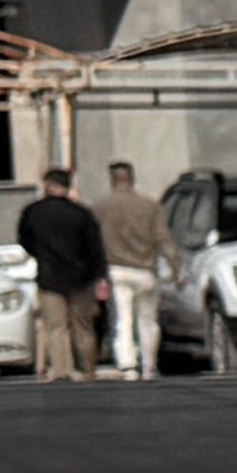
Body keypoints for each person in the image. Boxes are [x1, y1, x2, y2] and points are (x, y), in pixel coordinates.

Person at [13, 164, 106, 380]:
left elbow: (24, 240)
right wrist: (96, 274)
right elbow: (95, 248)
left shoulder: (33, 212)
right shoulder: (82, 214)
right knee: (83, 326)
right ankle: (87, 368)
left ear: (48, 185)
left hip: (49, 276)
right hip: (81, 278)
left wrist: (41, 255)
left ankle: (62, 368)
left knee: (56, 327)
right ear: (68, 186)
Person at [89, 159, 168, 383]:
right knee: (148, 321)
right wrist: (175, 267)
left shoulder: (100, 207)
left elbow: (93, 242)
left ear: (112, 180)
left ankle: (127, 364)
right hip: (145, 269)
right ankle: (149, 364)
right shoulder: (150, 205)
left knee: (122, 319)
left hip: (116, 270)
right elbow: (163, 238)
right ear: (132, 178)